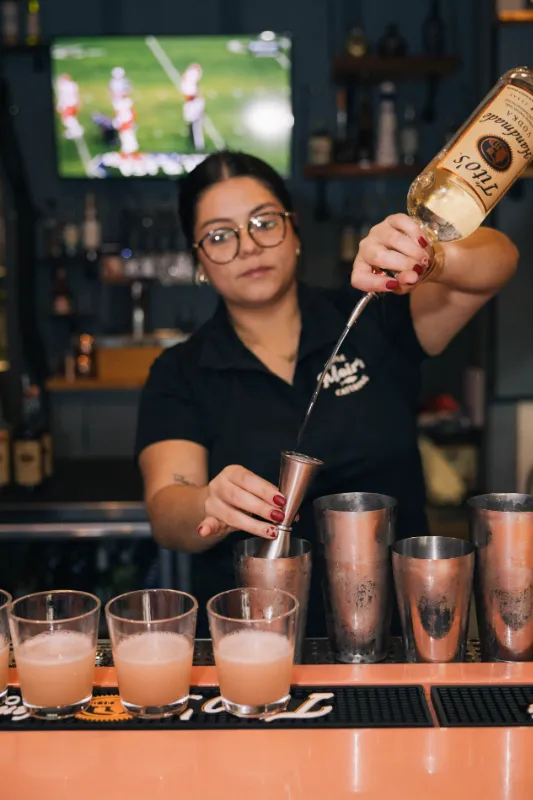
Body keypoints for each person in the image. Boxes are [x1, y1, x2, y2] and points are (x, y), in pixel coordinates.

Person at [135, 151, 518, 636]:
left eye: (264, 222)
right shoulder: (182, 370)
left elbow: (500, 261)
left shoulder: (373, 313)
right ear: (199, 262)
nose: (248, 246)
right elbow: (168, 510)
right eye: (219, 235)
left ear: (294, 233)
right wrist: (208, 501)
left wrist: (429, 257)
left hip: (403, 633)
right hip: (254, 639)